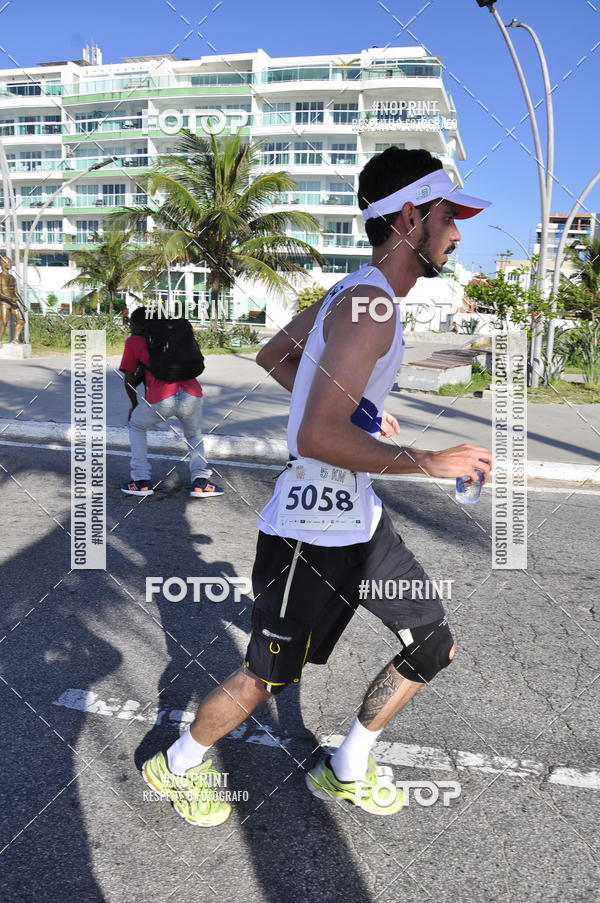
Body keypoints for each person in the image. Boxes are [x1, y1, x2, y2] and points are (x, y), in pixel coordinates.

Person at [141, 147, 492, 826]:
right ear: (411, 216)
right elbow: (313, 436)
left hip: (357, 522)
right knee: (266, 677)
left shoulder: (354, 291)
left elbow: (278, 357)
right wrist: (428, 459)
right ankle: (176, 762)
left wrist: (352, 412)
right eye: (450, 216)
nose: (457, 232)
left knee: (432, 641)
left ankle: (346, 767)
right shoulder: (372, 306)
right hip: (307, 533)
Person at [119, 307, 223, 498]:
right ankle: (200, 481)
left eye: (132, 323)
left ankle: (141, 481)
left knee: (136, 425)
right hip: (192, 394)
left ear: (139, 324)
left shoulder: (134, 341)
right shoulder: (176, 335)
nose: (130, 327)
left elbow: (129, 378)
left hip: (161, 398)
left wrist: (134, 405)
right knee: (193, 435)